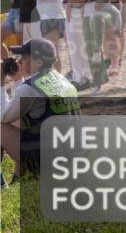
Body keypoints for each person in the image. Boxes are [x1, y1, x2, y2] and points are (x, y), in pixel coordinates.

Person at [0, 39, 79, 176]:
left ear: (38, 62)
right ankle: (18, 176)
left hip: (51, 164)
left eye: (23, 58)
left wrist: (1, 84)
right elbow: (18, 110)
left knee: (1, 126)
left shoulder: (30, 88)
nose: (18, 61)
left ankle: (7, 177)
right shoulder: (63, 80)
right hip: (74, 157)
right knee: (21, 120)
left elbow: (3, 116)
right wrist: (19, 80)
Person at [65, 0, 101, 89]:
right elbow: (74, 1)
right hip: (81, 16)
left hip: (97, 16)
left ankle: (96, 78)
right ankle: (83, 77)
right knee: (81, 47)